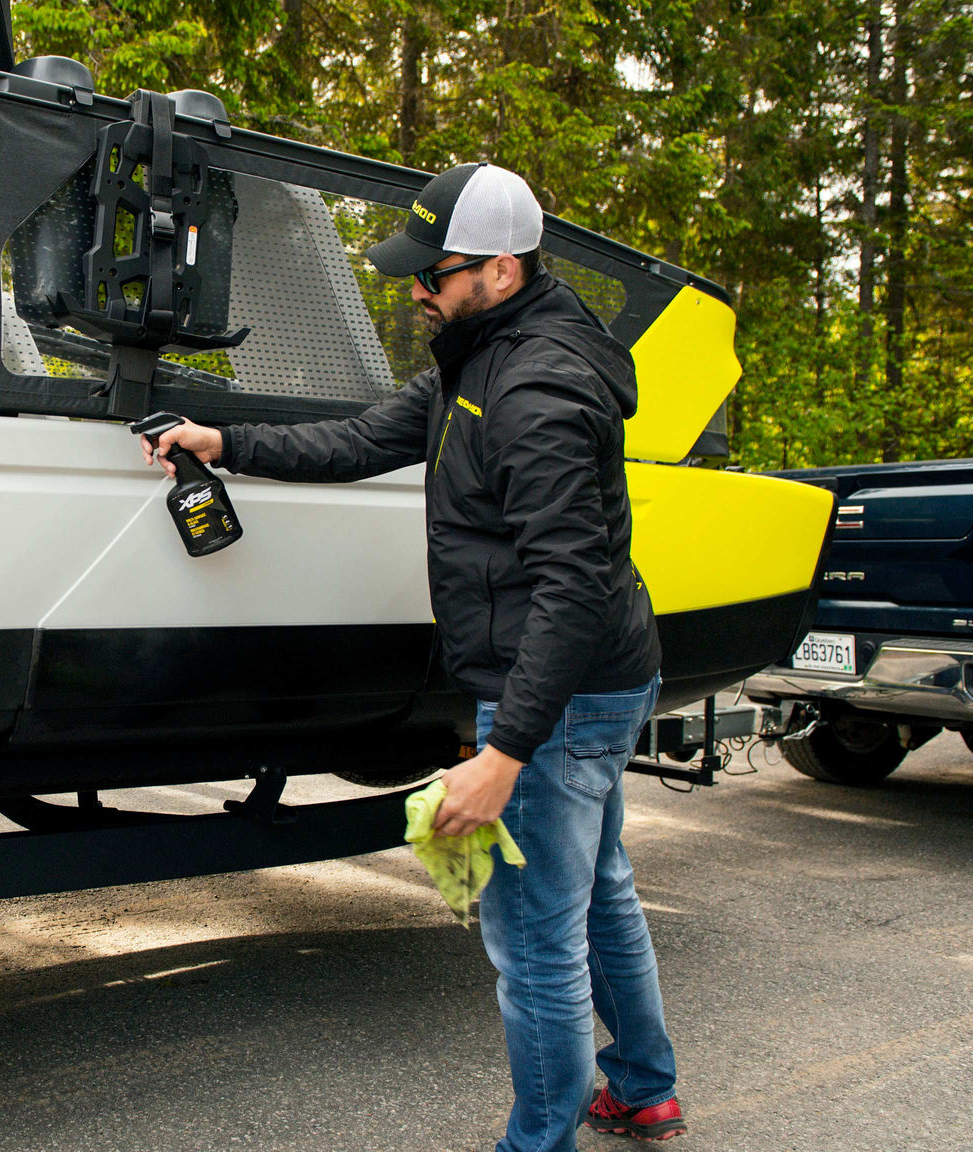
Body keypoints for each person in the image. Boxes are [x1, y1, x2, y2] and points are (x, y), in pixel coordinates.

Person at [139, 162, 685, 1150]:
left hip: (554, 691)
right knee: (597, 891)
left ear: (500, 271)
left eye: (431, 275)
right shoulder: (475, 357)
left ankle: (537, 1142)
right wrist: (222, 441)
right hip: (594, 678)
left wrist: (503, 753)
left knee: (535, 948)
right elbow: (356, 440)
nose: (416, 292)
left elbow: (568, 584)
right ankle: (644, 1088)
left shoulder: (534, 391)